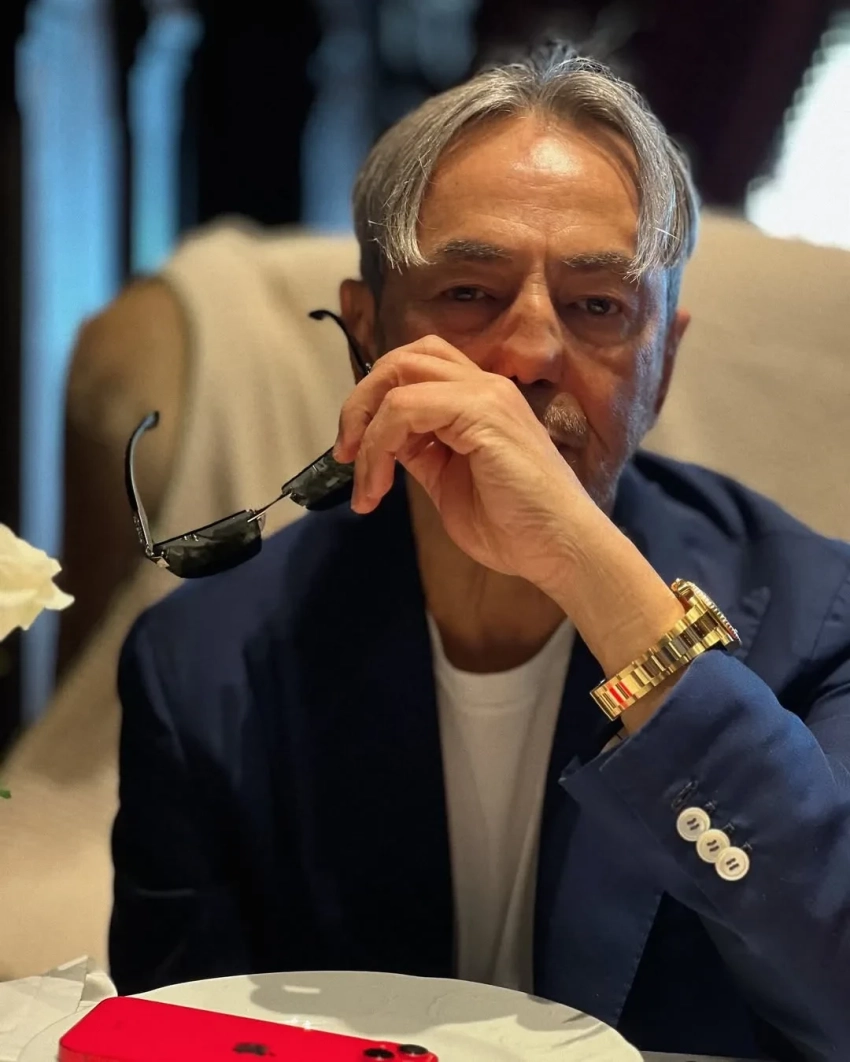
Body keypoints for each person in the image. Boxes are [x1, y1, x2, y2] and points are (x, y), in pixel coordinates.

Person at [110, 44, 850, 1061]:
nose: (532, 354)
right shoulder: (202, 667)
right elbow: (172, 1039)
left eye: (598, 306)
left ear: (663, 364)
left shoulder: (818, 619)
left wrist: (588, 567)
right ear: (367, 338)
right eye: (467, 293)